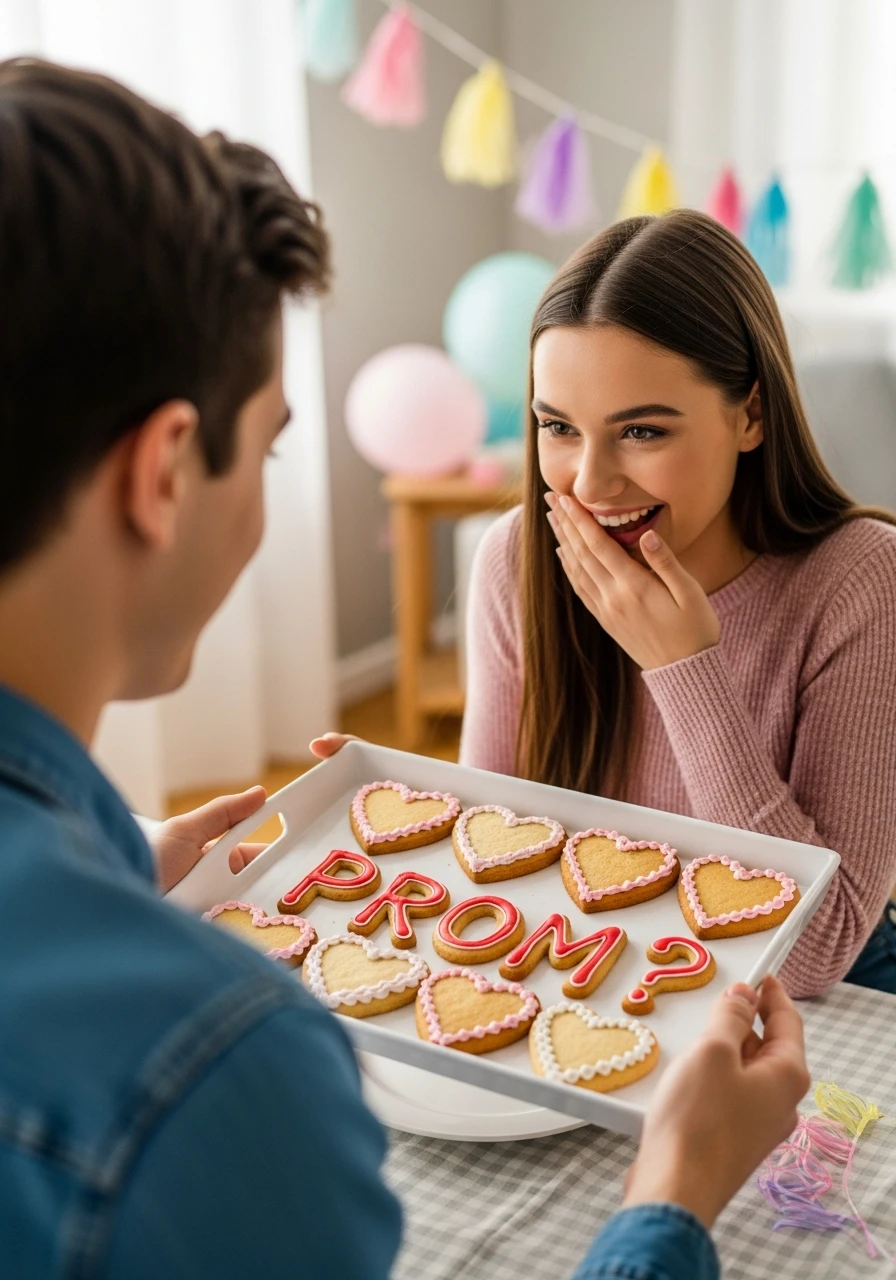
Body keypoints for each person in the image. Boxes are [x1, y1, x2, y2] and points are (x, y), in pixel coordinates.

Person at [0, 59, 808, 1279]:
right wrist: (670, 1203)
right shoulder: (224, 1064)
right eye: (271, 448)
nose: (588, 477)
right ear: (166, 471)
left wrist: (115, 855)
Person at [455, 211, 896, 999]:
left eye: (642, 432)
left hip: (819, 989)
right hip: (608, 959)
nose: (589, 484)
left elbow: (813, 956)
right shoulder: (516, 561)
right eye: (558, 426)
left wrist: (683, 666)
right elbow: (487, 859)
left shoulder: (860, 582)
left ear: (751, 415)